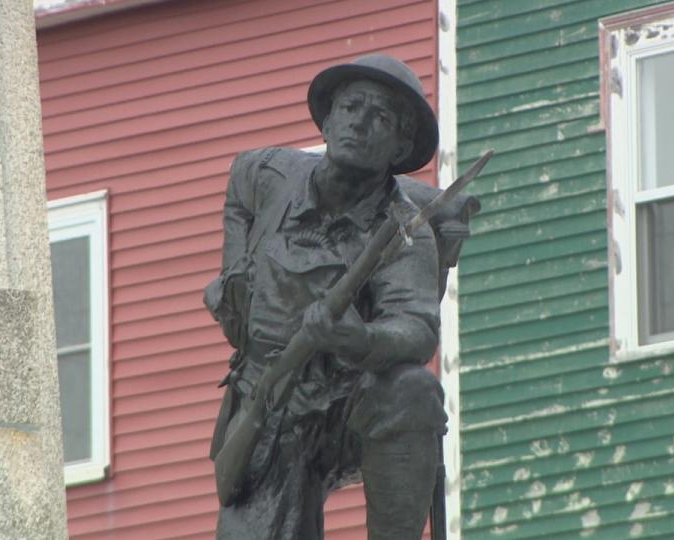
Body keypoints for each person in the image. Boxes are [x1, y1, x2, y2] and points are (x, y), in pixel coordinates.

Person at [204, 54, 478, 540]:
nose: (360, 123)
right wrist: (234, 279)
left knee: (413, 391)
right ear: (327, 120)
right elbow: (239, 187)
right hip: (269, 403)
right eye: (350, 107)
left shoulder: (403, 235)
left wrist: (358, 338)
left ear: (400, 146)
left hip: (347, 406)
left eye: (382, 118)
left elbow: (417, 329)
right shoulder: (265, 176)